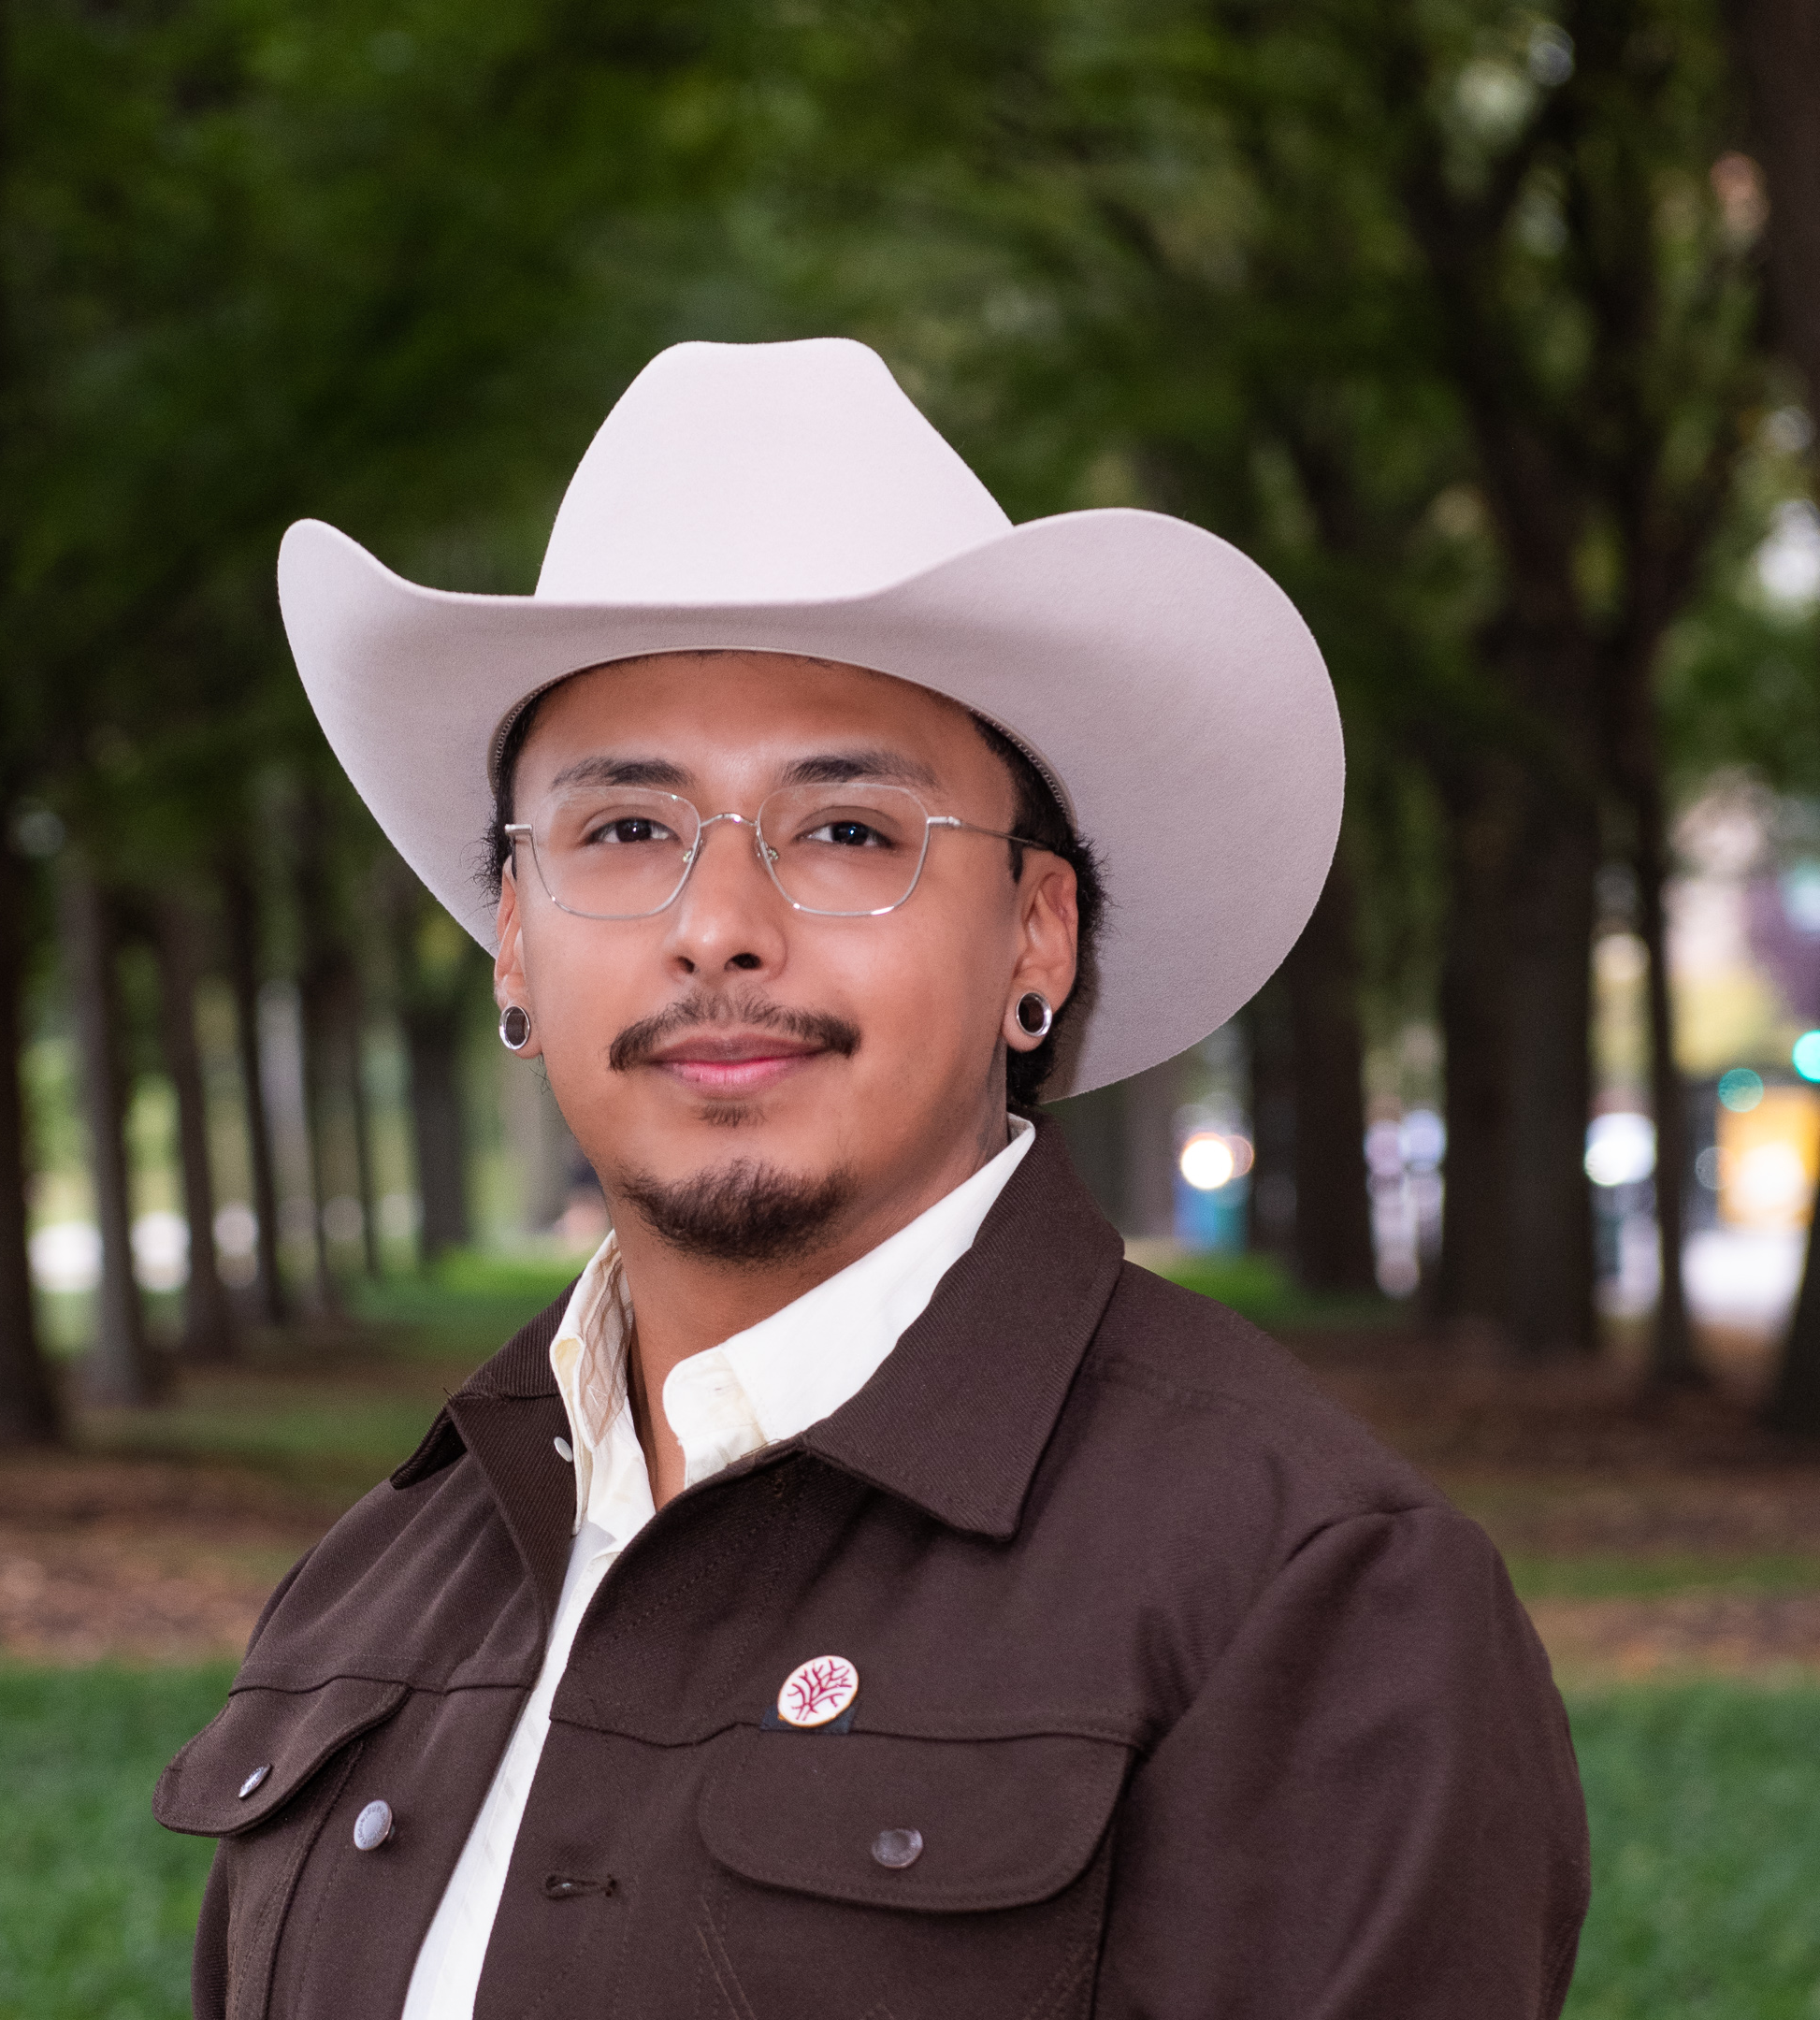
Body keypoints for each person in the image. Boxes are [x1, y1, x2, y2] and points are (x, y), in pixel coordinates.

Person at [155, 339, 1588, 2019]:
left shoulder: (1311, 1597)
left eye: (847, 831)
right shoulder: (382, 1576)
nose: (719, 926)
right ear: (514, 952)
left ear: (1035, 935)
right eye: (623, 830)